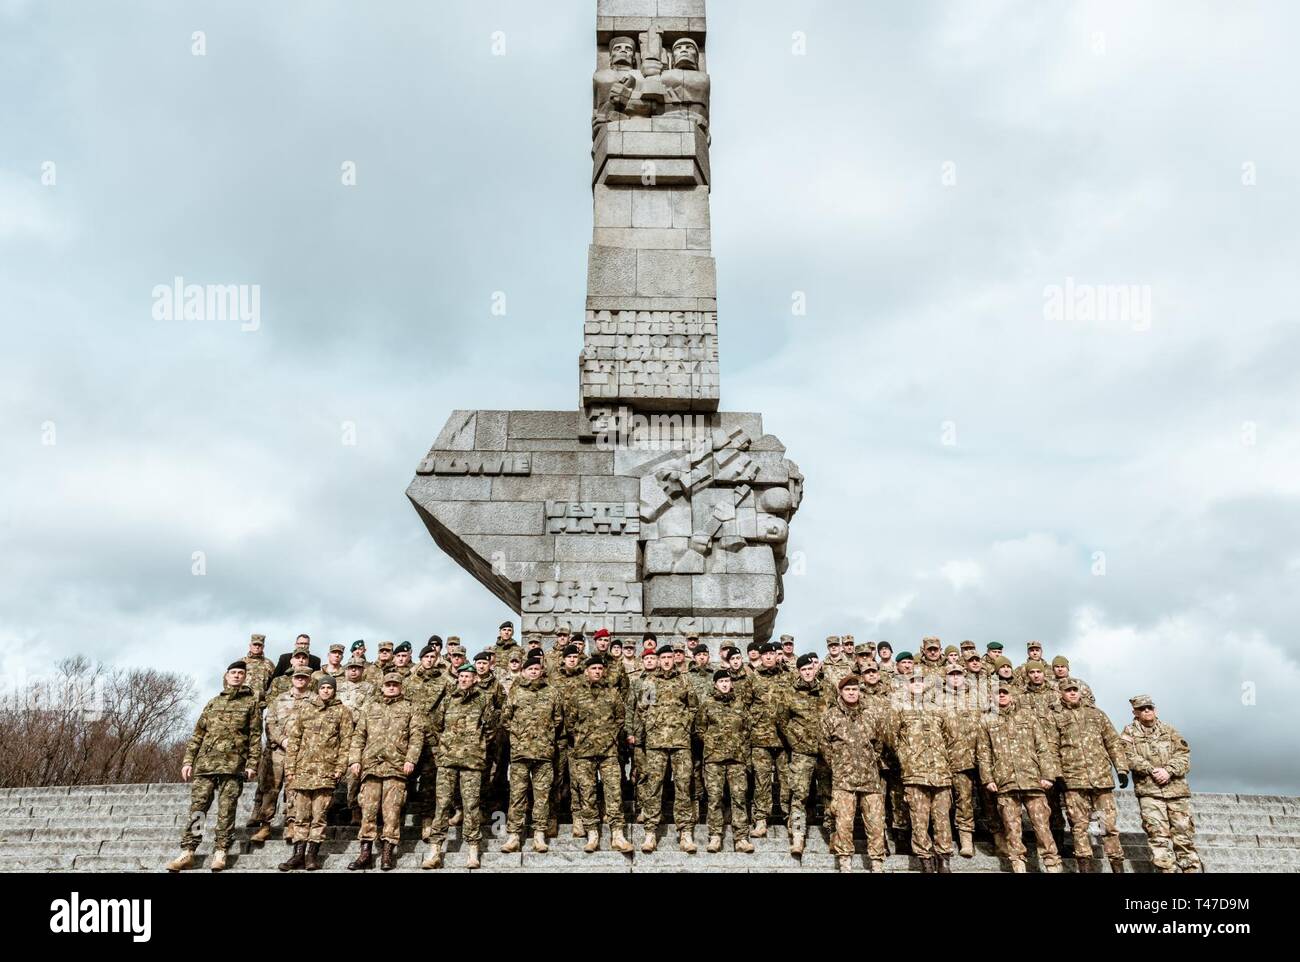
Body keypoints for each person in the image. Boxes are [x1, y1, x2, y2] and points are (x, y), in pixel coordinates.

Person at [166, 661, 261, 872]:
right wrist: (188, 761)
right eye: (233, 673)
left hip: (233, 765)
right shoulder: (213, 702)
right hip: (206, 765)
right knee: (198, 809)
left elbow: (255, 737)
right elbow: (198, 734)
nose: (237, 676)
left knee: (226, 810)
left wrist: (252, 764)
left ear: (245, 677)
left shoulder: (251, 703)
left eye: (240, 673)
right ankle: (188, 851)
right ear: (226, 676)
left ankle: (221, 851)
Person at [1043, 679, 1129, 873]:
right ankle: (1085, 867)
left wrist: (1121, 769)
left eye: (1075, 690)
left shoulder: (1096, 714)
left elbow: (1113, 742)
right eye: (1068, 690)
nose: (1072, 693)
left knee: (1109, 827)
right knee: (1079, 827)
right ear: (1061, 693)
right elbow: (1051, 747)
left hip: (1101, 779)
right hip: (1073, 780)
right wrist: (1058, 775)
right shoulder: (1055, 717)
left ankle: (1117, 866)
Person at [977, 683, 1062, 873]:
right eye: (997, 694)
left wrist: (1048, 775)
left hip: (1032, 780)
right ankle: (1018, 864)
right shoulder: (986, 721)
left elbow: (1042, 747)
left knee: (1042, 826)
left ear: (1012, 696)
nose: (1001, 696)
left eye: (1005, 693)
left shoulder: (1028, 717)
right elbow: (983, 753)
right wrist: (988, 779)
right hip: (1005, 782)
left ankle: (1052, 864)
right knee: (1011, 828)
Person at [347, 672, 423, 871]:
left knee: (392, 812)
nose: (391, 687)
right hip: (371, 767)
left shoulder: (410, 708)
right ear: (382, 687)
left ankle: (387, 854)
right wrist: (355, 759)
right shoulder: (370, 707)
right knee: (368, 812)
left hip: (396, 767)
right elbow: (358, 736)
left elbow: (416, 737)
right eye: (388, 684)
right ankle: (365, 853)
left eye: (395, 685)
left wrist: (410, 760)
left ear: (400, 687)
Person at [424, 664, 498, 870]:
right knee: (442, 804)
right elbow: (435, 724)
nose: (464, 679)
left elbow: (492, 727)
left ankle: (473, 849)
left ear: (475, 679)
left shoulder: (483, 699)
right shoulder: (448, 699)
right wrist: (446, 745)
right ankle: (435, 850)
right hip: (448, 761)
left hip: (472, 762)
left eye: (468, 676)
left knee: (471, 806)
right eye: (461, 676)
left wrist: (478, 744)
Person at [1121, 695, 1202, 873]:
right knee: (1158, 837)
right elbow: (1127, 756)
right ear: (1135, 712)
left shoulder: (1169, 730)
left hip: (1176, 791)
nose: (1147, 711)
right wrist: (1151, 769)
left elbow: (1183, 754)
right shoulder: (1129, 733)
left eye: (1149, 707)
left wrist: (1168, 770)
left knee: (1184, 836)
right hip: (1150, 792)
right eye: (1142, 709)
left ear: (1155, 709)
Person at [632, 640, 699, 853]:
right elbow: (642, 708)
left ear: (674, 659)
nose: (667, 661)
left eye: (670, 658)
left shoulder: (684, 681)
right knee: (654, 787)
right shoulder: (650, 682)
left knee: (682, 786)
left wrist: (684, 725)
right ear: (659, 660)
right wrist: (652, 725)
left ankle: (685, 833)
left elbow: (693, 707)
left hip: (680, 742)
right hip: (656, 743)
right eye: (663, 658)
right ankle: (650, 832)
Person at [822, 675, 892, 873]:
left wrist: (871, 762)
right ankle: (845, 861)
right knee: (843, 823)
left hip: (870, 779)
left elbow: (878, 743)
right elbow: (824, 745)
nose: (852, 693)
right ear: (841, 692)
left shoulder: (870, 715)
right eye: (848, 690)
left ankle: (877, 861)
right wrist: (838, 764)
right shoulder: (831, 716)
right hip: (844, 780)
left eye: (855, 689)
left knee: (876, 822)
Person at [281, 676, 352, 871]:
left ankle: (312, 855)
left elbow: (346, 743)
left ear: (334, 690)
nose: (326, 690)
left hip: (326, 773)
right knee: (300, 816)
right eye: (323, 687)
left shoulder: (342, 712)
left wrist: (339, 768)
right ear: (318, 689)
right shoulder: (305, 709)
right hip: (303, 771)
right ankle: (297, 855)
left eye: (330, 687)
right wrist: (290, 769)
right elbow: (294, 740)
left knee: (318, 816)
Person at [563, 657, 634, 853]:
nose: (597, 671)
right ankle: (592, 833)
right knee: (587, 792)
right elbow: (569, 721)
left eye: (600, 668)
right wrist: (580, 737)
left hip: (609, 751)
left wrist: (610, 734)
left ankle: (617, 834)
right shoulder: (576, 694)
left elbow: (621, 717)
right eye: (593, 668)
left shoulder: (612, 693)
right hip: (584, 752)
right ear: (586, 671)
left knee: (613, 792)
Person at [891, 673, 959, 873]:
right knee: (919, 820)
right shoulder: (900, 708)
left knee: (942, 819)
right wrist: (905, 755)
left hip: (940, 772)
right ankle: (925, 860)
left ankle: (944, 858)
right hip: (915, 773)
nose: (917, 684)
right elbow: (891, 735)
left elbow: (950, 735)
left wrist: (943, 757)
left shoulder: (938, 707)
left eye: (920, 681)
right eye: (913, 681)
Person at [500, 656, 561, 854]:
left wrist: (547, 734)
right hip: (520, 754)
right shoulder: (515, 692)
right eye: (530, 669)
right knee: (517, 795)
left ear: (542, 671)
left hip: (544, 753)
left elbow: (558, 719)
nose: (534, 672)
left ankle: (539, 834)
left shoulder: (552, 692)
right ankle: (514, 835)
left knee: (542, 796)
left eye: (537, 668)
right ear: (524, 672)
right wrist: (519, 735)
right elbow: (505, 718)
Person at [250, 665, 313, 843]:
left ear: (309, 680)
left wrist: (301, 744)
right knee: (270, 788)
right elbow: (270, 723)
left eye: (303, 677)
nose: (300, 680)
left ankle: (291, 824)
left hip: (301, 752)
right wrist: (282, 740)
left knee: (294, 789)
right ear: (292, 678)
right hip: (277, 751)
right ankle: (265, 825)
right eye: (297, 677)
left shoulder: (315, 700)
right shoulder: (279, 699)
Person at [695, 671, 754, 853]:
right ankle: (715, 836)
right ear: (715, 684)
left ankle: (741, 838)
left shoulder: (740, 704)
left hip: (737, 759)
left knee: (739, 798)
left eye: (727, 681)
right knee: (714, 798)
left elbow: (747, 727)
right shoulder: (707, 704)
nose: (725, 684)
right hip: (714, 758)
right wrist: (712, 743)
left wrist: (739, 745)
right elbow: (699, 728)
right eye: (721, 681)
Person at [777, 653, 826, 854]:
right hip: (802, 752)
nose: (807, 673)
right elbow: (781, 719)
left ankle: (832, 833)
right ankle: (797, 836)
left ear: (815, 669)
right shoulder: (790, 693)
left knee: (829, 794)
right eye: (803, 670)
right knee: (799, 794)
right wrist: (794, 740)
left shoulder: (827, 690)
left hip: (825, 752)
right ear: (799, 671)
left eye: (810, 669)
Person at [748, 642, 792, 836]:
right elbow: (744, 705)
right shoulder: (753, 678)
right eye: (764, 654)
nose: (767, 657)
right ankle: (760, 820)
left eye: (771, 654)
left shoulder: (787, 677)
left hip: (784, 739)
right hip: (760, 738)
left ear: (777, 656)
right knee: (762, 781)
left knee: (786, 781)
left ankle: (788, 816)